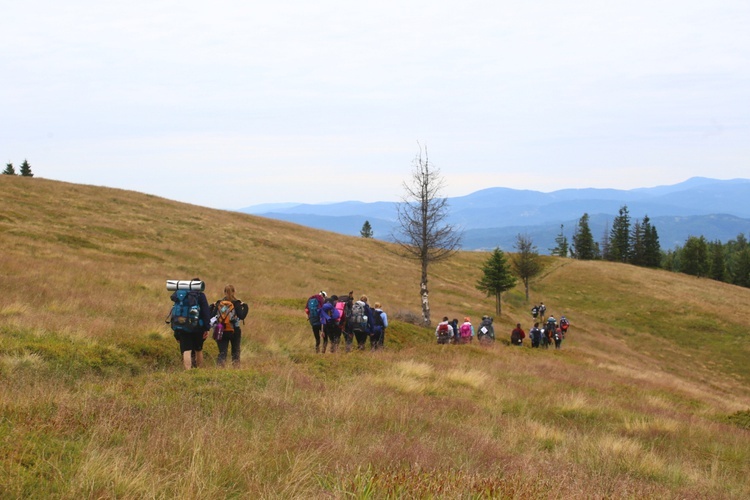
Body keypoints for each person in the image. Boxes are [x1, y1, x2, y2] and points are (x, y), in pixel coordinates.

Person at [173, 277, 211, 370]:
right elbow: (206, 312)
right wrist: (207, 328)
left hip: (182, 326)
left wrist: (176, 332)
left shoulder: (182, 296)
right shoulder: (201, 296)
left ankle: (188, 372)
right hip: (198, 327)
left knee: (186, 350)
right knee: (198, 349)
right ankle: (199, 371)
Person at [213, 284, 248, 367]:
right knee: (235, 352)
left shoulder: (219, 303)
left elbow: (212, 316)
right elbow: (242, 316)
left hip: (221, 329)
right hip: (234, 330)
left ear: (224, 292)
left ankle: (220, 369)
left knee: (222, 352)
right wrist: (245, 307)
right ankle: (235, 368)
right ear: (234, 292)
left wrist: (212, 306)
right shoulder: (237, 303)